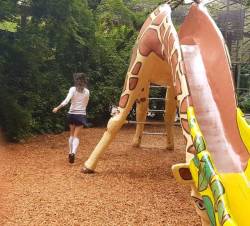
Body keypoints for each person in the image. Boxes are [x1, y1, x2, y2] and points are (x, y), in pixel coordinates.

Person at [52, 73, 90, 163]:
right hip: (81, 115)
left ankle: (70, 152)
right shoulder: (87, 91)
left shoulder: (72, 89)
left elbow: (66, 101)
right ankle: (73, 153)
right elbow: (86, 103)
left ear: (76, 81)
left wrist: (57, 108)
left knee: (71, 134)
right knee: (76, 136)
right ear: (85, 81)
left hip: (71, 114)